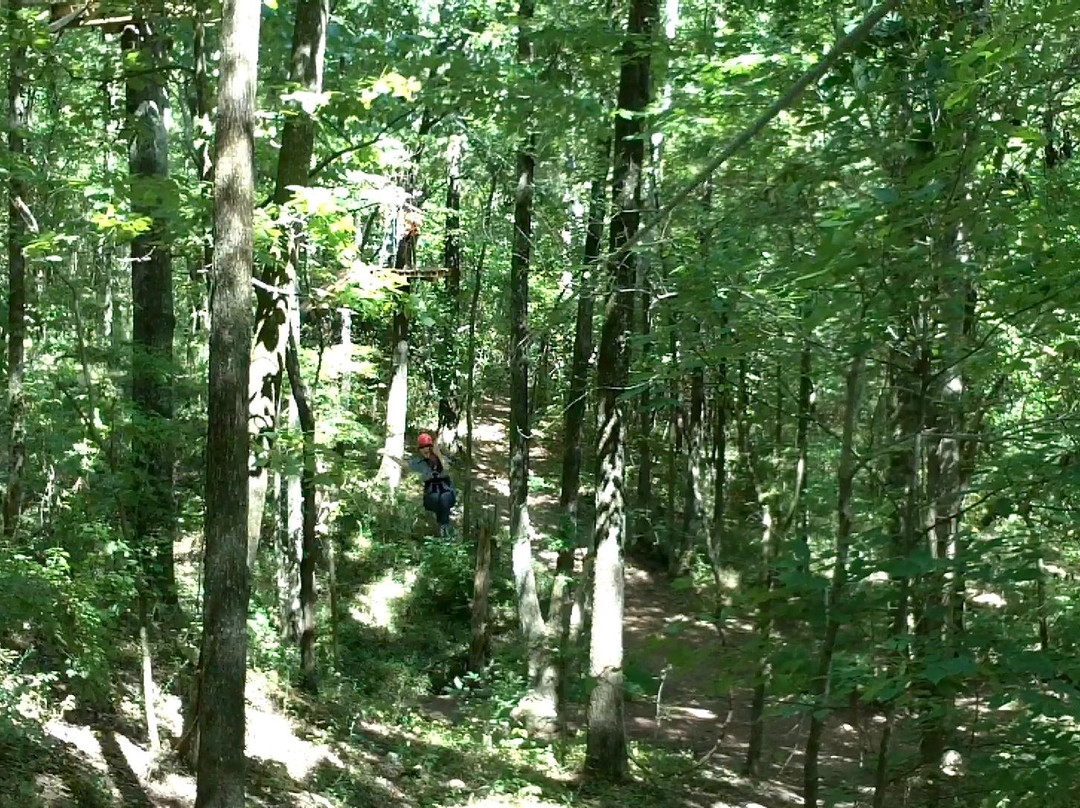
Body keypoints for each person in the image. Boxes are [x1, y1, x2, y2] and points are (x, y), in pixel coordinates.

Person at [407, 432, 457, 536]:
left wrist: (438, 454)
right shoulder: (417, 462)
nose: (425, 449)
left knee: (444, 498)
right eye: (422, 447)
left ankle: (444, 529)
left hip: (446, 491)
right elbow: (408, 468)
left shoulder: (441, 459)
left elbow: (448, 469)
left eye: (428, 446)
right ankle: (441, 527)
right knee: (435, 498)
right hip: (431, 493)